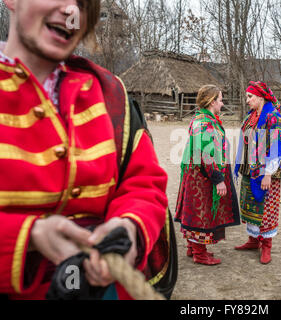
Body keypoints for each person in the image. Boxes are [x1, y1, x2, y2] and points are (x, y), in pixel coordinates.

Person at [0, 0, 169, 299]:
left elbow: (144, 184)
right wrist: (27, 237)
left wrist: (128, 227)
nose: (72, 11)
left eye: (83, 3)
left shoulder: (110, 94)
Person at [175, 85, 240, 265]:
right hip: (202, 177)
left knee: (195, 211)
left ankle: (193, 247)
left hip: (197, 175)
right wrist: (218, 180)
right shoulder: (205, 123)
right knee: (200, 213)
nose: (222, 102)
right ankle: (199, 253)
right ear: (212, 102)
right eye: (220, 99)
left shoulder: (204, 119)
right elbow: (204, 154)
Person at [234, 81, 281, 264]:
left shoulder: (273, 117)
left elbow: (276, 148)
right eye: (247, 97)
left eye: (250, 97)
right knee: (251, 205)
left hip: (266, 172)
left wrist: (267, 174)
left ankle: (266, 245)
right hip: (250, 169)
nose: (247, 100)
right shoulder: (251, 116)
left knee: (266, 209)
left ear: (260, 97)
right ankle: (253, 240)